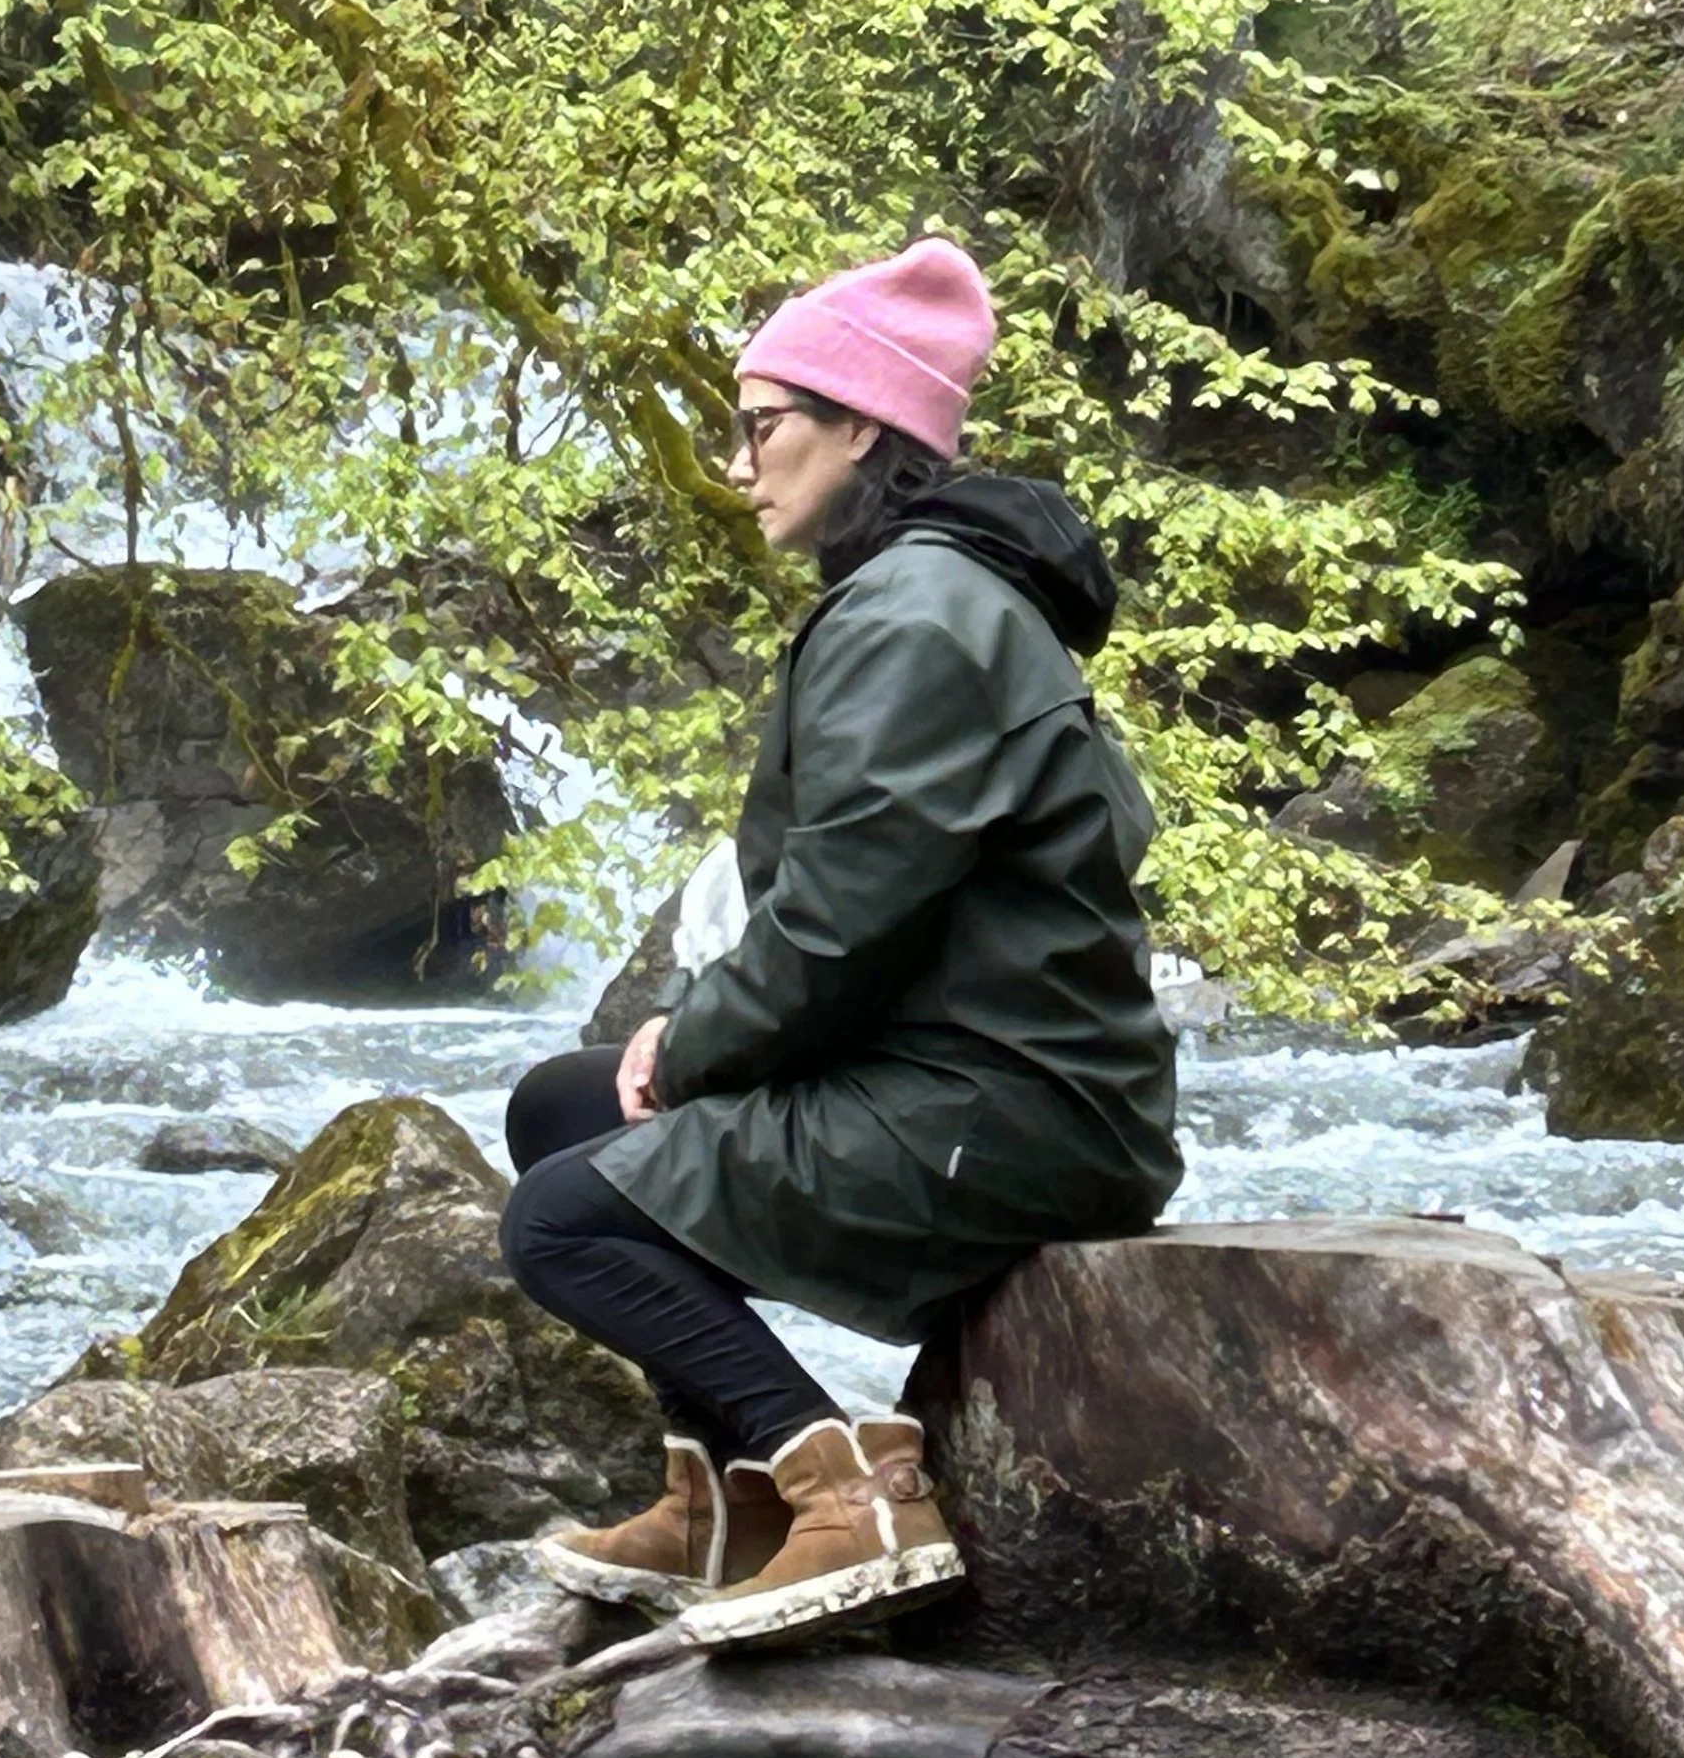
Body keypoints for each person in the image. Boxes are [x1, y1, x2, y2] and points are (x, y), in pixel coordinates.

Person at [500, 237, 1182, 1646]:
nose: (739, 468)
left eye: (763, 429)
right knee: (564, 1108)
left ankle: (847, 1489)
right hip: (984, 1080)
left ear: (861, 423)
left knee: (560, 1218)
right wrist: (673, 1051)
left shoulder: (921, 615)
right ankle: (730, 1494)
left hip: (1009, 1108)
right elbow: (858, 916)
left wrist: (689, 1046)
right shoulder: (930, 597)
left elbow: (846, 917)